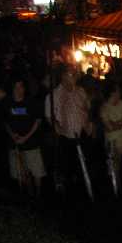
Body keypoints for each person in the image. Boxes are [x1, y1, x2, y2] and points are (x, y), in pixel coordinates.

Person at [45, 65, 91, 194]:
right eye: (72, 74)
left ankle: (83, 191)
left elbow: (87, 108)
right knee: (67, 168)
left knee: (83, 167)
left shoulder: (81, 91)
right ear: (63, 77)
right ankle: (69, 195)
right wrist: (57, 128)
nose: (75, 77)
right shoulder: (54, 95)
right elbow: (49, 116)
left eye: (75, 74)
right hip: (65, 138)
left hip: (82, 134)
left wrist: (88, 123)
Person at [4, 79, 45, 197]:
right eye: (16, 87)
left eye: (21, 87)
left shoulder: (31, 102)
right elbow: (5, 122)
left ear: (24, 88)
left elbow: (38, 121)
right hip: (15, 145)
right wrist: (13, 135)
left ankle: (38, 195)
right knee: (21, 173)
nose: (18, 90)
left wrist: (26, 137)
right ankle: (27, 196)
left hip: (31, 144)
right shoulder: (8, 103)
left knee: (37, 172)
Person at [99, 83, 122, 193]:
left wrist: (116, 123)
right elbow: (109, 127)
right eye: (118, 91)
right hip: (112, 142)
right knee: (115, 169)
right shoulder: (104, 108)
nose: (120, 93)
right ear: (112, 93)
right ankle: (117, 192)